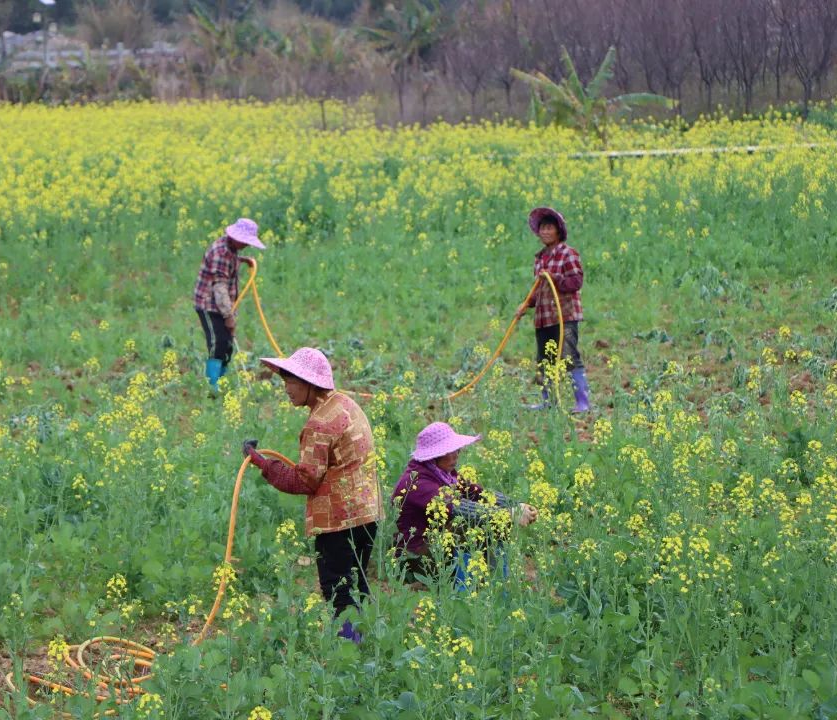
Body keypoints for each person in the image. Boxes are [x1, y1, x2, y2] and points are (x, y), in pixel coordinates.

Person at [242, 347, 382, 642]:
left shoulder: (318, 424)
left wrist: (262, 464)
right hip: (367, 512)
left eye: (290, 382)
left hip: (338, 521)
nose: (286, 389)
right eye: (284, 381)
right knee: (357, 584)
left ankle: (349, 654)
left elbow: (304, 481)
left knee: (338, 589)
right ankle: (365, 645)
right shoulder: (344, 404)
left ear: (309, 383)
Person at [391, 422, 538, 584]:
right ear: (434, 456)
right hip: (417, 557)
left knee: (494, 521)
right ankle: (471, 583)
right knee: (476, 524)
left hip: (439, 545)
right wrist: (509, 514)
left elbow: (477, 493)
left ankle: (495, 577)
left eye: (457, 449)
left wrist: (516, 505)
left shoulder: (443, 474)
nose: (457, 454)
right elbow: (460, 508)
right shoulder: (417, 482)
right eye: (450, 451)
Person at [516, 206, 590, 412]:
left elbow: (575, 282)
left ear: (558, 231)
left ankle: (582, 402)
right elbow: (539, 289)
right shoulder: (539, 258)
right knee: (545, 361)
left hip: (564, 316)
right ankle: (548, 402)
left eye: (550, 228)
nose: (545, 232)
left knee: (568, 357)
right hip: (543, 318)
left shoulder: (568, 254)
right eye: (542, 228)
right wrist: (526, 305)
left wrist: (554, 277)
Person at [193, 219, 265, 390]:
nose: (247, 245)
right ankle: (212, 387)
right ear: (235, 237)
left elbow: (228, 261)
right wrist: (228, 316)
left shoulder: (231, 250)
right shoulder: (221, 253)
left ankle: (221, 381)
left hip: (224, 305)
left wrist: (240, 259)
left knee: (228, 346)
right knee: (217, 343)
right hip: (209, 305)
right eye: (245, 241)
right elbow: (219, 287)